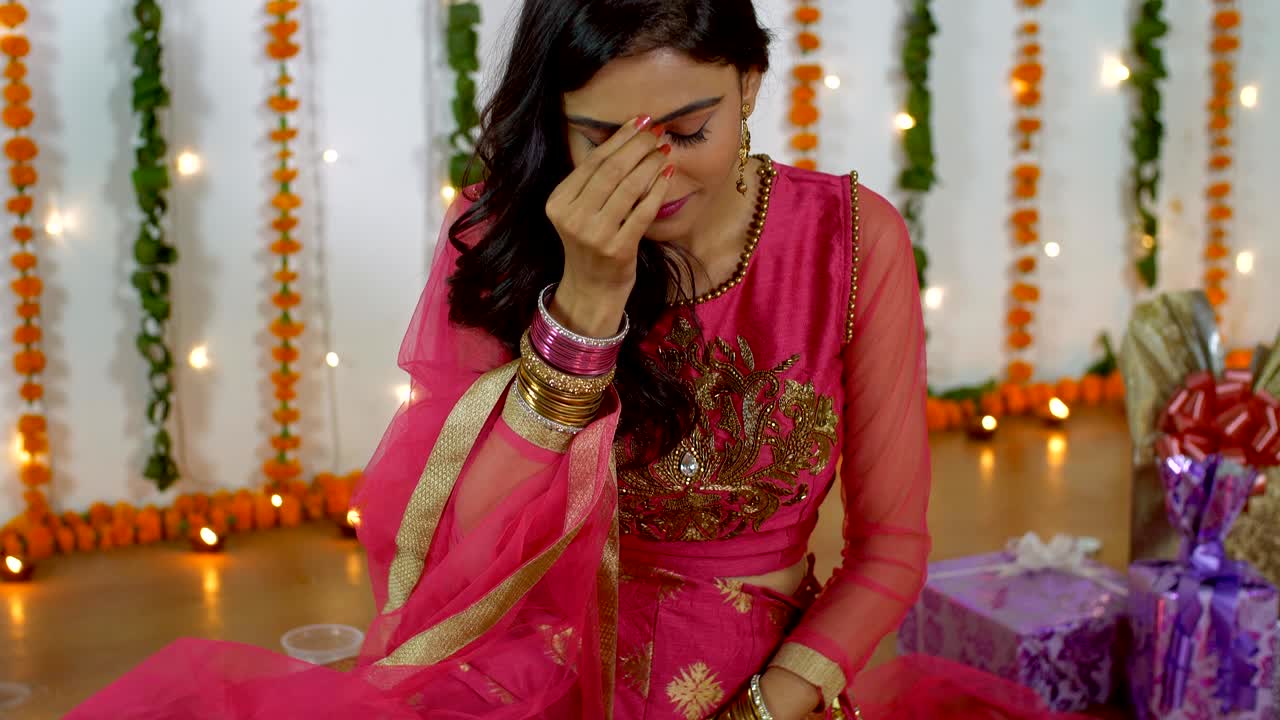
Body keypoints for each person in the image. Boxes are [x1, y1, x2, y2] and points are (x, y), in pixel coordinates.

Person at [70, 2, 1090, 718]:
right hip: (534, 659)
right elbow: (462, 546)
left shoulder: (851, 240)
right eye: (600, 136)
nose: (647, 171)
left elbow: (891, 548)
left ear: (749, 85)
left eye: (688, 129)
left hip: (767, 671)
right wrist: (585, 303)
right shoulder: (499, 232)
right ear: (554, 121)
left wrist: (769, 712)